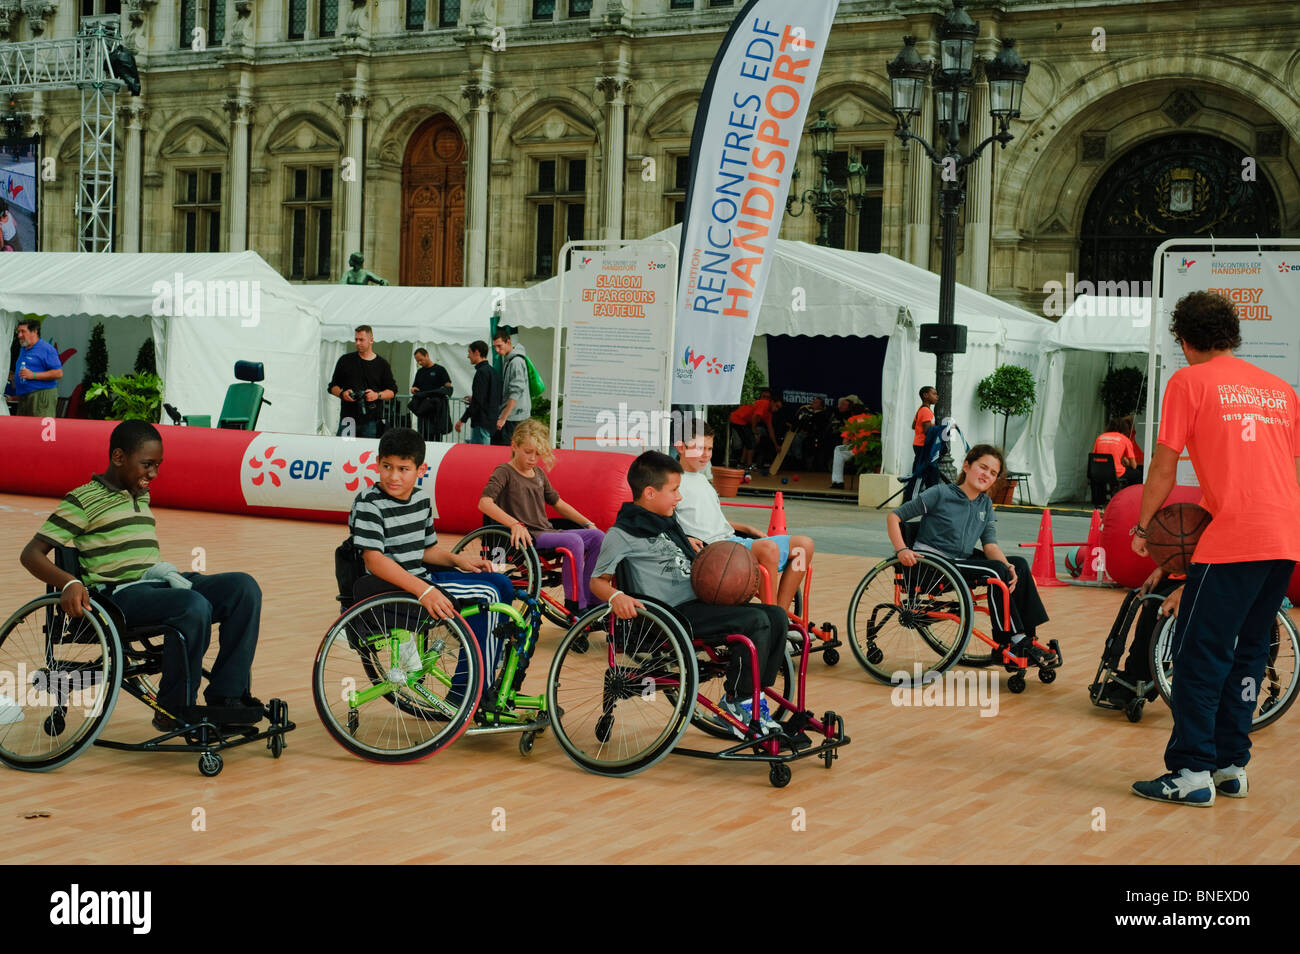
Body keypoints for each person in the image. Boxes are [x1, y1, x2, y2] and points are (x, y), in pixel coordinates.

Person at [1130, 290, 1300, 807]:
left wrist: (1143, 528)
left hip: (1236, 541)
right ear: (1231, 335)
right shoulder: (1280, 390)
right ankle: (1231, 766)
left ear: (1185, 341)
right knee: (1249, 653)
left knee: (1198, 654)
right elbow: (1280, 474)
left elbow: (1163, 466)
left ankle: (1190, 772)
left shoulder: (1188, 381)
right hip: (1285, 537)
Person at [18, 421, 263, 731]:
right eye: (147, 464)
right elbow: (31, 554)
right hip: (118, 596)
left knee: (243, 588)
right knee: (192, 605)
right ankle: (173, 708)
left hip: (158, 581)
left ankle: (227, 698)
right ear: (119, 457)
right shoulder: (83, 500)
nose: (154, 474)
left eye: (158, 466)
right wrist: (69, 581)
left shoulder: (139, 493)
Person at [589, 451, 790, 738]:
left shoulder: (669, 524)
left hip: (700, 602)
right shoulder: (620, 534)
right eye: (673, 490)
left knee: (776, 615)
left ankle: (753, 694)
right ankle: (736, 701)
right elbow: (597, 581)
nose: (679, 497)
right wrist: (615, 597)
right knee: (755, 621)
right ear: (649, 492)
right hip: (671, 615)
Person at [348, 427, 516, 681]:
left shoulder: (421, 500)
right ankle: (468, 693)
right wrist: (423, 590)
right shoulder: (369, 503)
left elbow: (426, 550)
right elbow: (374, 560)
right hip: (393, 588)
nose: (393, 476)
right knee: (488, 596)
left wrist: (460, 561)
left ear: (420, 470)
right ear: (377, 464)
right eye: (387, 466)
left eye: (403, 469)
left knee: (502, 583)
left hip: (422, 579)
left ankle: (489, 664)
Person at [887, 443, 1057, 667]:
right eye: (983, 467)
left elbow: (990, 546)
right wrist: (902, 549)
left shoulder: (985, 504)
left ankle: (1027, 638)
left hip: (960, 562)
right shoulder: (940, 493)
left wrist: (1009, 566)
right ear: (967, 466)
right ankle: (1011, 640)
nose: (986, 474)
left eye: (993, 473)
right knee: (996, 571)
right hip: (931, 564)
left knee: (1018, 565)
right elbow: (894, 517)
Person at [673, 423, 815, 611]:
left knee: (803, 546)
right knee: (768, 548)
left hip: (731, 541)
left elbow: (710, 520)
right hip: (713, 551)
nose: (706, 454)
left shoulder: (702, 479)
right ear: (680, 447)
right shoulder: (672, 482)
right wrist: (685, 538)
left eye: (709, 448)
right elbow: (667, 523)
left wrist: (746, 528)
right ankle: (773, 617)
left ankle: (781, 614)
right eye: (699, 448)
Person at [478, 419, 605, 620]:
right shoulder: (504, 472)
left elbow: (558, 503)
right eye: (528, 452)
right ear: (514, 445)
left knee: (598, 536)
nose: (532, 458)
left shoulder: (538, 473)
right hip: (525, 537)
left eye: (537, 454)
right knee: (573, 541)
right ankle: (575, 605)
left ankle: (593, 601)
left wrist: (587, 522)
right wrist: (514, 524)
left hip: (545, 531)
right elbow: (484, 503)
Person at [328, 324, 396, 438]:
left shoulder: (382, 364)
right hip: (348, 419)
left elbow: (392, 391)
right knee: (345, 452)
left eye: (361, 340)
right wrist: (342, 394)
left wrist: (376, 395)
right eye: (356, 339)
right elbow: (332, 386)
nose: (357, 343)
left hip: (372, 420)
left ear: (371, 340)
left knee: (367, 452)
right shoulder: (345, 360)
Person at [13, 318, 62, 418]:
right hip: (24, 396)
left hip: (41, 395)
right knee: (23, 430)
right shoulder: (23, 348)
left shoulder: (46, 348)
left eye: (23, 331)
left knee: (38, 429)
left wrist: (33, 375)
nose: (19, 335)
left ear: (34, 331)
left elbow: (58, 373)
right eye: (18, 332)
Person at [454, 340, 499, 445]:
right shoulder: (493, 372)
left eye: (469, 352)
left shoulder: (481, 372)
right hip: (491, 420)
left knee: (481, 455)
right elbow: (491, 396)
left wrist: (462, 420)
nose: (468, 356)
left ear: (477, 352)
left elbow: (478, 401)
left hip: (481, 421)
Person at [492, 327, 531, 445]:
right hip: (514, 416)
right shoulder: (510, 360)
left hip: (514, 418)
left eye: (499, 346)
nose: (497, 350)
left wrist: (503, 417)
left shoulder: (516, 362)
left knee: (507, 452)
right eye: (495, 347)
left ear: (508, 342)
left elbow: (516, 392)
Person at [901, 387, 939, 500]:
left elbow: (914, 425)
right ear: (925, 395)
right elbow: (927, 430)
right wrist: (941, 429)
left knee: (931, 475)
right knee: (921, 475)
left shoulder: (921, 410)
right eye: (934, 393)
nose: (937, 396)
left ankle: (930, 501)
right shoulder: (926, 411)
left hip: (919, 445)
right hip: (923, 446)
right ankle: (909, 500)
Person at [1090, 418, 1139, 504]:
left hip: (1097, 472)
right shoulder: (1124, 439)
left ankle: (1099, 502)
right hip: (1115, 473)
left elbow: (1094, 457)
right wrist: (1125, 462)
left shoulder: (1100, 437)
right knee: (1137, 474)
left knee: (1102, 476)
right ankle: (1131, 501)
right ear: (1124, 428)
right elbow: (1134, 465)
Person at [728, 390, 781, 470]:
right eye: (776, 406)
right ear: (772, 402)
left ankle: (741, 464)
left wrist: (776, 445)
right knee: (751, 441)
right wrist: (755, 433)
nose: (777, 409)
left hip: (743, 421)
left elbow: (770, 429)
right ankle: (749, 465)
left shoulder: (769, 414)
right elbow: (754, 417)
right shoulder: (764, 404)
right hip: (738, 419)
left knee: (748, 442)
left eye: (779, 408)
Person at [409, 347, 452, 441]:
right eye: (417, 361)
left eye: (421, 360)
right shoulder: (420, 372)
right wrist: (413, 389)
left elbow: (448, 386)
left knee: (436, 435)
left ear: (427, 355)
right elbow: (415, 386)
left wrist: (441, 390)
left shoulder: (440, 370)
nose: (420, 363)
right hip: (423, 409)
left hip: (436, 410)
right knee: (422, 434)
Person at [829, 394, 865, 489]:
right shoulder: (871, 419)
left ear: (852, 412)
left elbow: (845, 441)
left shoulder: (852, 420)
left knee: (838, 449)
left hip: (857, 449)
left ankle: (838, 482)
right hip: (871, 450)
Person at [789, 396, 830, 469]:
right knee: (789, 437)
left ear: (820, 406)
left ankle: (798, 460)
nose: (813, 403)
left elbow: (818, 427)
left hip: (811, 434)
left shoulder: (823, 414)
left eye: (816, 402)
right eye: (813, 401)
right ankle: (789, 458)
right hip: (799, 431)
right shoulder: (806, 410)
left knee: (797, 439)